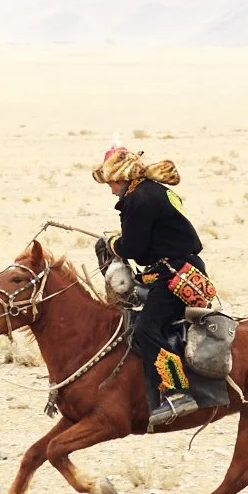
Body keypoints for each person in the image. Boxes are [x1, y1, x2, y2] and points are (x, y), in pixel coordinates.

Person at [92, 143, 212, 429]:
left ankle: (176, 392)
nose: (110, 189)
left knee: (147, 328)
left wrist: (112, 244)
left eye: (110, 183)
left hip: (173, 276)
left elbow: (133, 247)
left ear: (120, 178)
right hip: (177, 269)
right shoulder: (154, 191)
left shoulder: (138, 199)